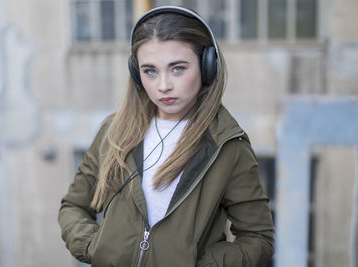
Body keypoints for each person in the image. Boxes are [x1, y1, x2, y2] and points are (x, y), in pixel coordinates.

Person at [58, 6, 274, 267]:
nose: (163, 86)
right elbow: (73, 206)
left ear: (207, 66)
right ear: (136, 74)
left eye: (178, 68)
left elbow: (258, 238)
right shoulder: (113, 132)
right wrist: (95, 246)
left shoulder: (228, 146)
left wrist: (200, 264)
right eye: (150, 71)